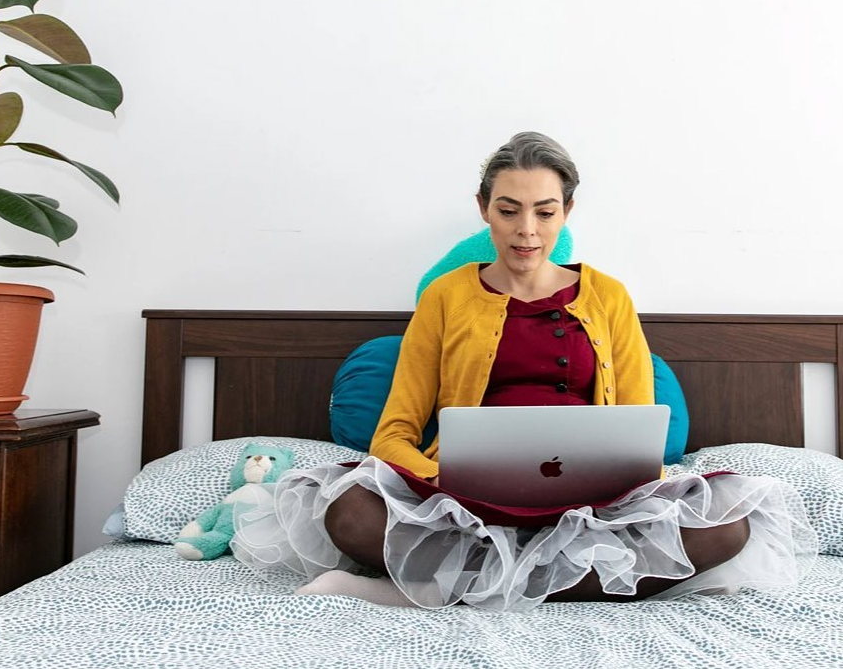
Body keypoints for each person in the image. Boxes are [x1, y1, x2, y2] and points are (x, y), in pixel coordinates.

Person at [230, 132, 816, 611]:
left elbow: (643, 429)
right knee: (347, 510)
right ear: (484, 209)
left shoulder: (609, 296)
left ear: (568, 212)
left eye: (544, 211)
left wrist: (645, 484)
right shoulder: (444, 297)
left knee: (728, 525)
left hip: (595, 499)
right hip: (460, 497)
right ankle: (559, 584)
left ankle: (429, 590)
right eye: (508, 211)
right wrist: (437, 479)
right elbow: (393, 435)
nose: (526, 231)